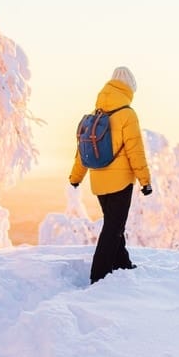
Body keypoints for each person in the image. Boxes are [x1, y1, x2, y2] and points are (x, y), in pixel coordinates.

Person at [69, 66, 152, 284]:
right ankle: (99, 276)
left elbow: (82, 151)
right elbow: (136, 152)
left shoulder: (97, 113)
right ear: (130, 88)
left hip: (98, 181)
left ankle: (123, 264)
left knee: (115, 226)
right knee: (113, 228)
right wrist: (145, 181)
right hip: (120, 182)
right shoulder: (127, 114)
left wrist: (76, 177)